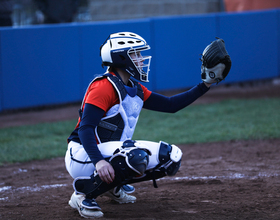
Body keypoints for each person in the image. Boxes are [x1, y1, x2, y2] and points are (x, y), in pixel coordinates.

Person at [65, 32, 213, 218]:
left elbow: (170, 105)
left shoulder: (134, 87)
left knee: (170, 158)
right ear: (121, 57)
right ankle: (83, 194)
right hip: (83, 155)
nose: (141, 59)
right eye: (136, 54)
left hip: (105, 152)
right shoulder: (103, 86)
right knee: (135, 157)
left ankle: (111, 187)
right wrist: (99, 161)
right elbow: (86, 128)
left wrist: (206, 84)